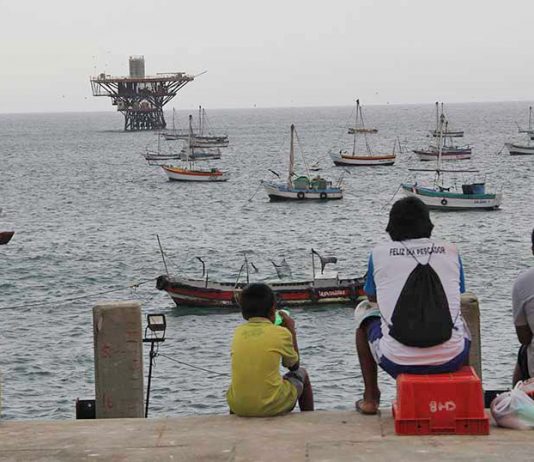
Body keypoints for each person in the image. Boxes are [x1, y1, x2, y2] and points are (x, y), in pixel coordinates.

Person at [354, 196, 470, 415]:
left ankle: (370, 398)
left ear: (392, 226)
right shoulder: (451, 251)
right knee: (460, 321)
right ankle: (463, 395)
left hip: (396, 361)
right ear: (428, 224)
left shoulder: (378, 254)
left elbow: (372, 297)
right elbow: (459, 290)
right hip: (452, 358)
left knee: (363, 318)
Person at [226, 283, 314, 416]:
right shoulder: (281, 333)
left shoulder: (238, 332)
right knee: (302, 373)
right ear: (273, 310)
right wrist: (291, 330)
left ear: (243, 312)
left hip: (237, 406)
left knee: (242, 389)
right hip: (271, 406)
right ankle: (309, 419)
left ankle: (237, 422)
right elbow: (293, 366)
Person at [512, 228, 534, 385]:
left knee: (523, 351)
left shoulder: (523, 283)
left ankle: (517, 396)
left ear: (533, 250)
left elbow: (524, 337)